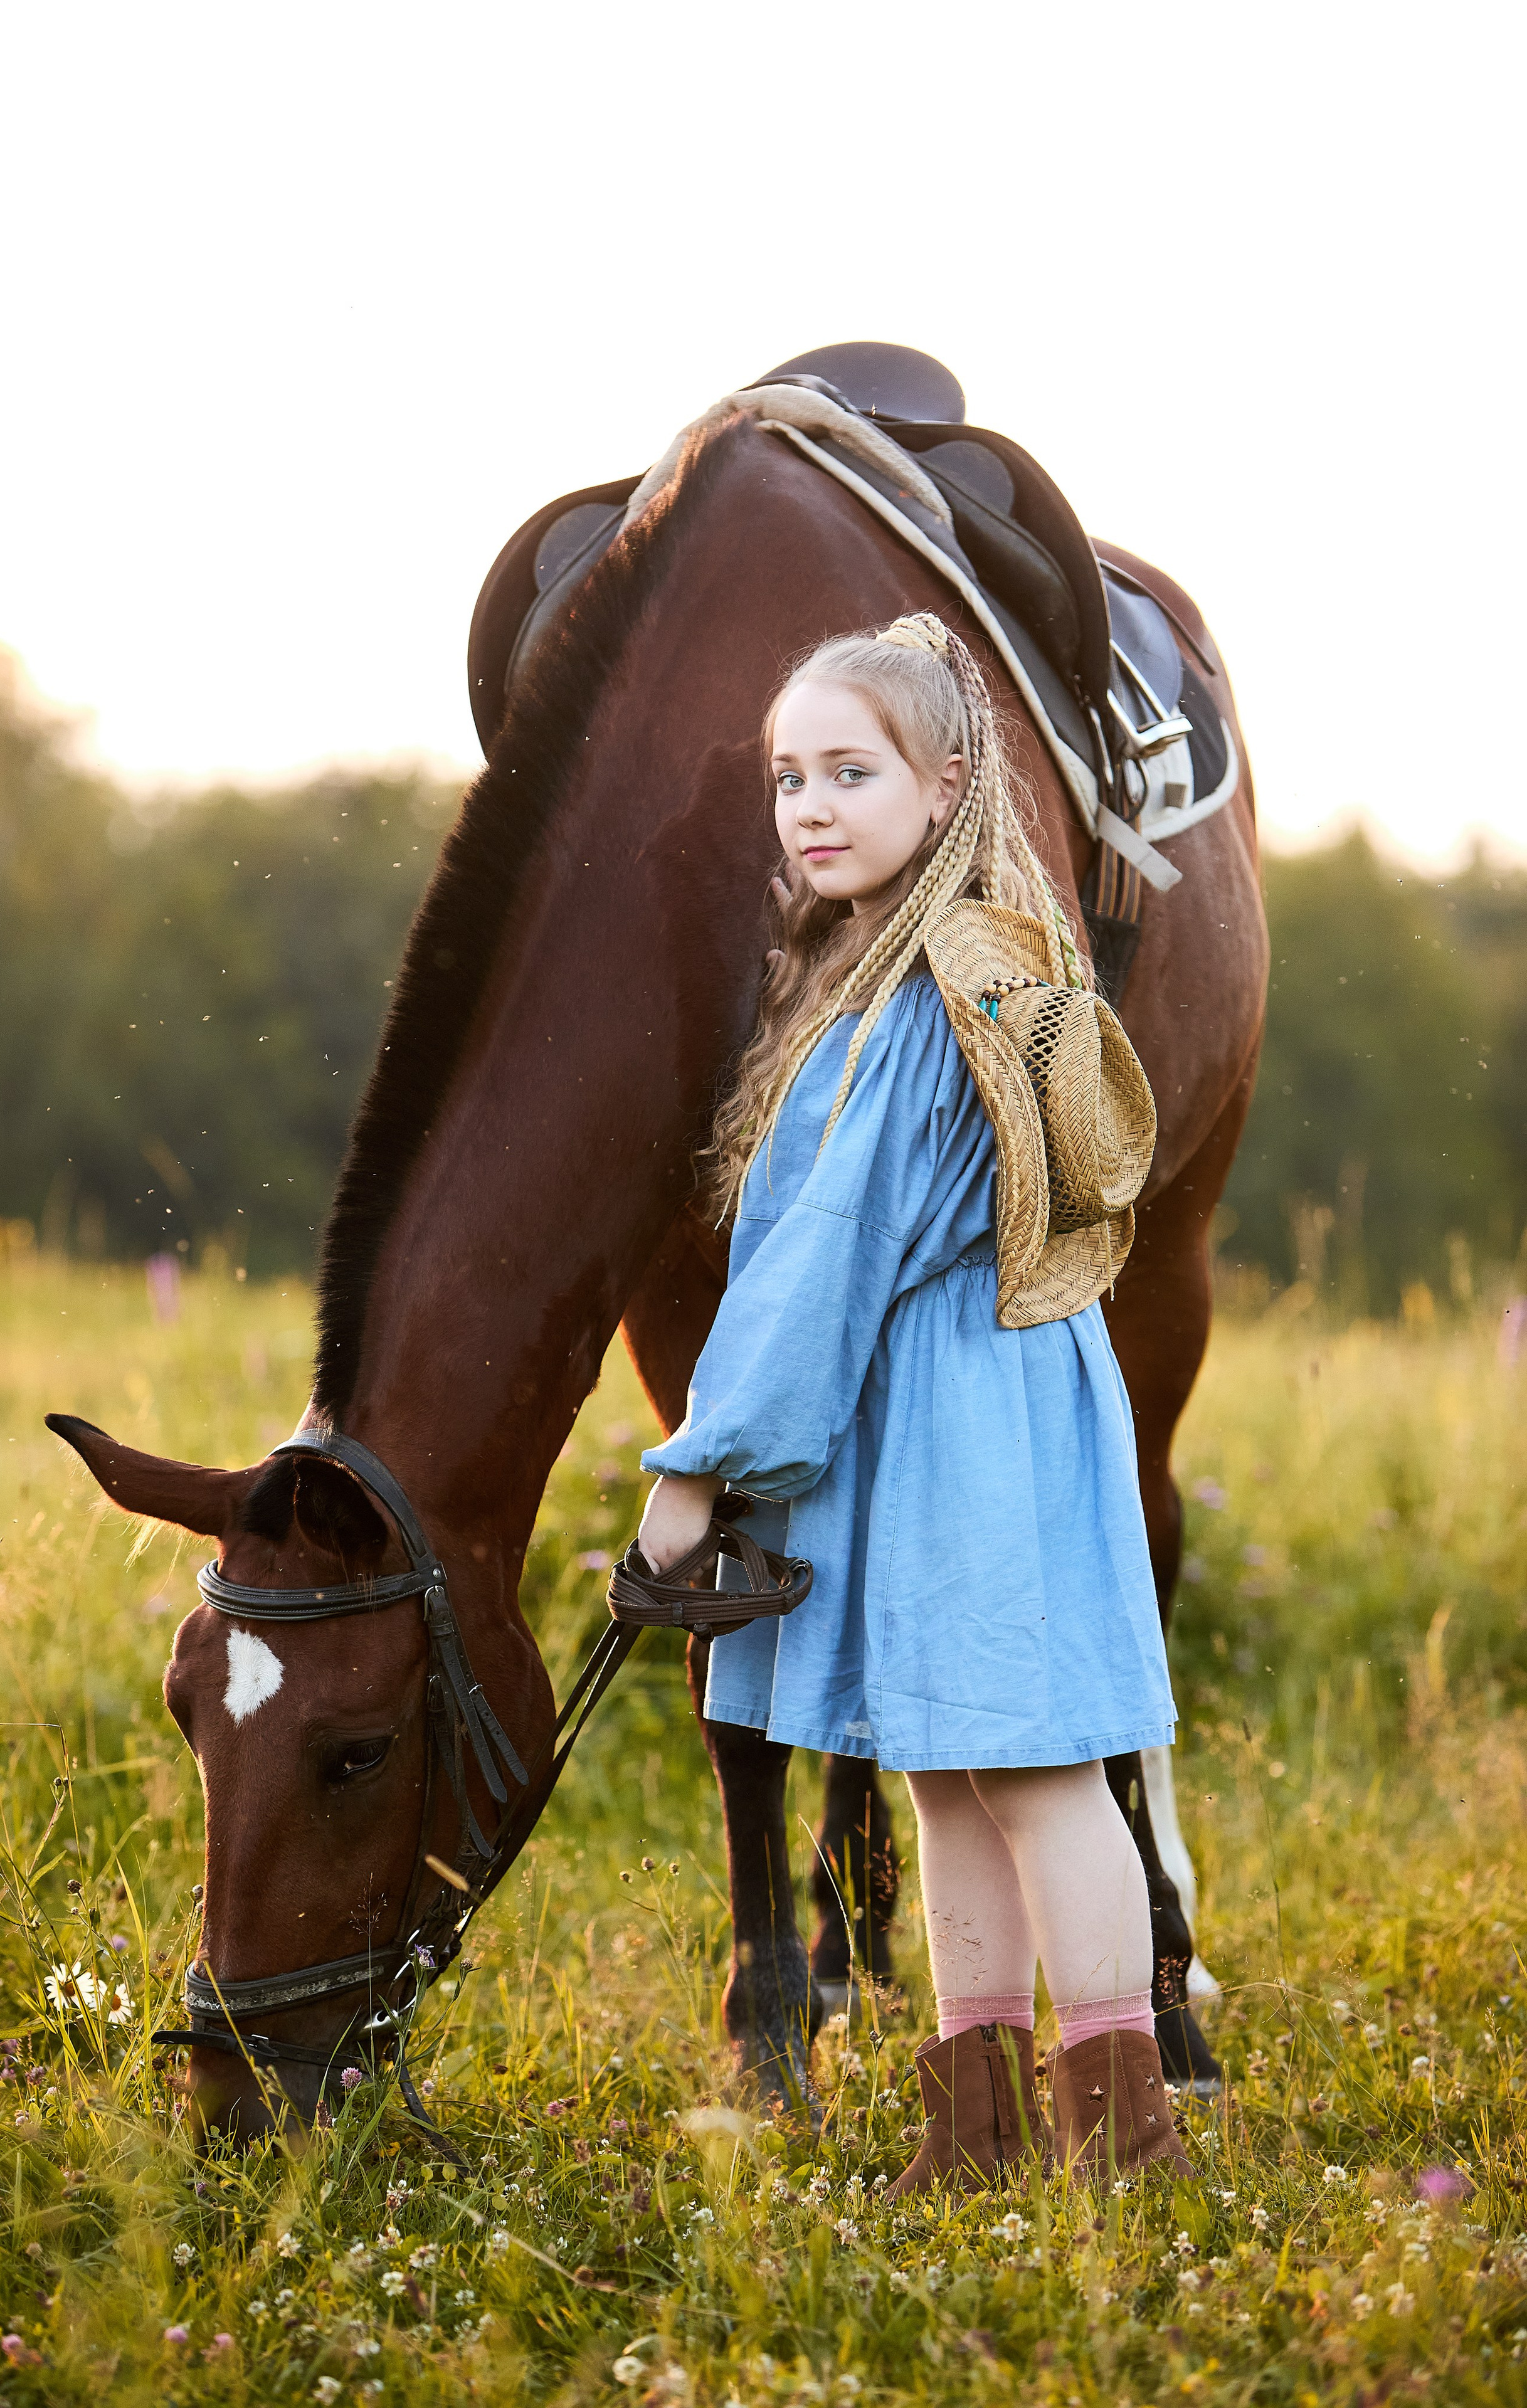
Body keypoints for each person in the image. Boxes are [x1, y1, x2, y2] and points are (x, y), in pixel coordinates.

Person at [636, 613, 1191, 2187]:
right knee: (943, 1771)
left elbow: (825, 1262)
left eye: (850, 772)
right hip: (955, 1402)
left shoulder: (919, 1000)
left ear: (946, 787)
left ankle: (1119, 2136)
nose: (809, 805)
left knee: (1029, 1769)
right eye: (787, 777)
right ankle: (976, 2127)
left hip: (965, 1412)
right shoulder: (908, 965)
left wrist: (702, 1468)